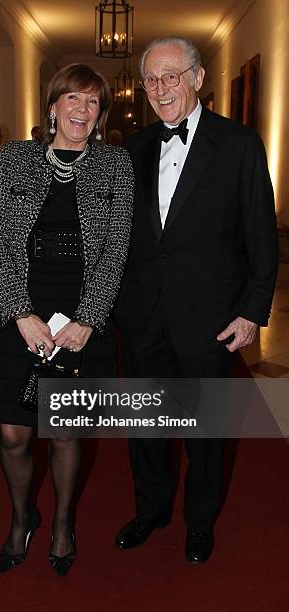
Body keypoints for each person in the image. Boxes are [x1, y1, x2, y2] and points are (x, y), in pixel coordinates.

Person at [0, 64, 134, 576]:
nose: (82, 110)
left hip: (80, 312)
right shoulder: (15, 157)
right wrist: (19, 312)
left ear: (101, 114)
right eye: (73, 99)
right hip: (20, 311)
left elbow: (116, 247)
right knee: (14, 435)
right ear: (53, 106)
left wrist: (87, 319)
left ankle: (62, 523)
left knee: (64, 431)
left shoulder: (115, 164)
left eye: (93, 102)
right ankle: (22, 519)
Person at [114, 37, 278, 563]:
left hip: (209, 316)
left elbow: (260, 236)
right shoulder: (134, 148)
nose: (162, 89)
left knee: (206, 430)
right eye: (152, 80)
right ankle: (152, 508)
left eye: (172, 76)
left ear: (198, 78)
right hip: (142, 315)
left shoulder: (240, 144)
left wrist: (252, 310)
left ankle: (200, 522)